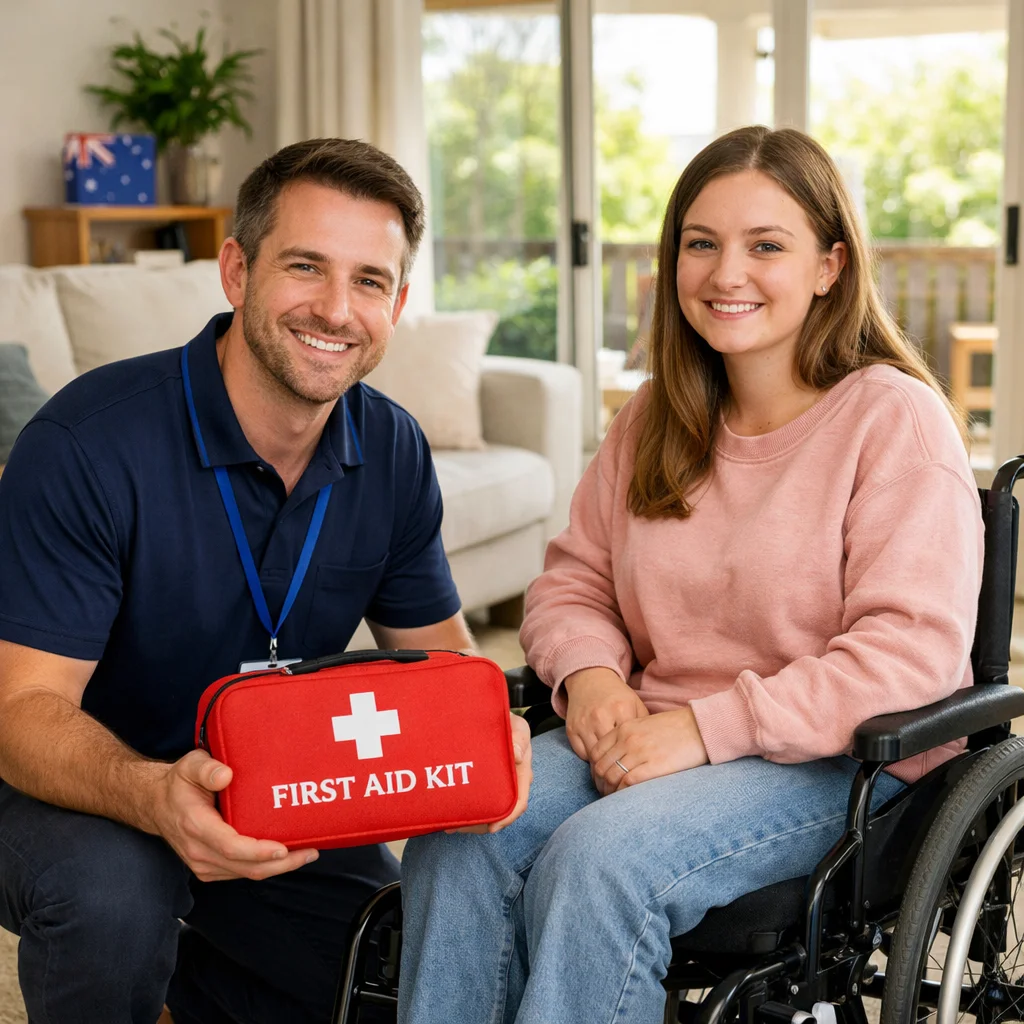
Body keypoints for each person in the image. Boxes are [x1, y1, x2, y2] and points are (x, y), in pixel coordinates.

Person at [397, 125, 984, 1024]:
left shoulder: (892, 422)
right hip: (650, 732)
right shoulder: (656, 417)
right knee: (458, 833)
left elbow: (907, 660)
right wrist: (591, 681)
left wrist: (706, 730)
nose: (725, 273)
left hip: (836, 762)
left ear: (830, 265)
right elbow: (570, 585)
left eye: (766, 245)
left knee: (600, 861)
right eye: (700, 244)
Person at [0, 137, 531, 1024]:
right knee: (116, 898)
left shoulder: (393, 448)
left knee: (400, 957)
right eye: (305, 267)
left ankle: (193, 985)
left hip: (275, 788)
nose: (335, 308)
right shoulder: (87, 444)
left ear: (398, 304)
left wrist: (493, 733)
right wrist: (154, 794)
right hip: (68, 784)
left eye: (369, 281)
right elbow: (20, 714)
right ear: (238, 271)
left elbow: (438, 667)